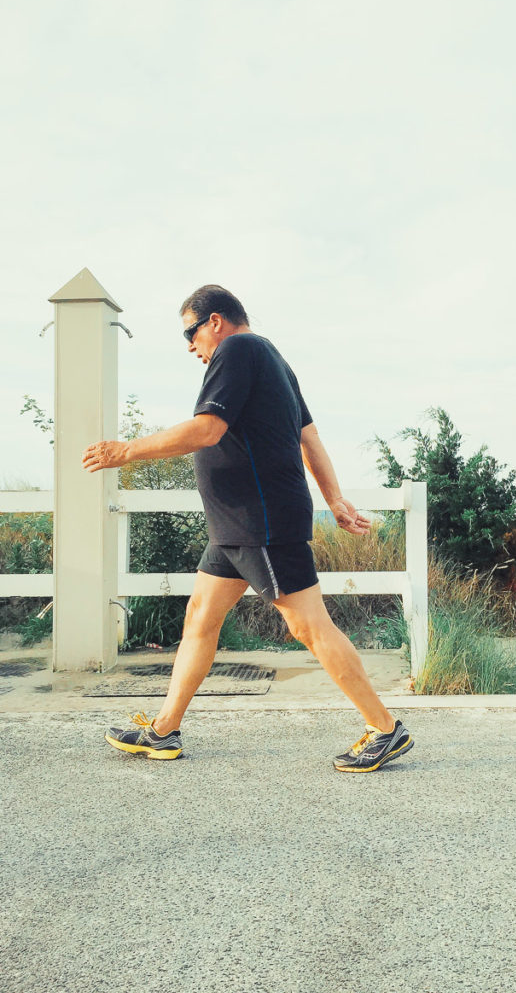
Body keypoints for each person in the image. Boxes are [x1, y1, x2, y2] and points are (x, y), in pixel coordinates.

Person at [81, 284, 413, 773]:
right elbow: (309, 437)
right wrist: (335, 500)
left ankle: (386, 729)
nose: (190, 346)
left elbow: (208, 429)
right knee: (200, 617)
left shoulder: (238, 349)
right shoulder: (273, 359)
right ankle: (163, 730)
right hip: (233, 526)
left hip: (262, 520)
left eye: (191, 333)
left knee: (308, 626)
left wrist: (125, 451)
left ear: (215, 321)